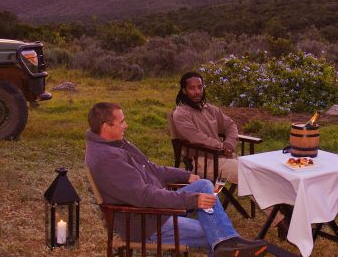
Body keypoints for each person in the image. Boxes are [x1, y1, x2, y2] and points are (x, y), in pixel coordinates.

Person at [84, 102, 268, 257]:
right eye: (122, 122)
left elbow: (153, 169)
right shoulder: (108, 159)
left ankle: (227, 243)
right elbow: (144, 196)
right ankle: (226, 244)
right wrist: (191, 199)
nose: (126, 126)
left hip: (154, 209)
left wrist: (185, 175)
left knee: (204, 185)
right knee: (214, 233)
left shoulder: (115, 143)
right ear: (106, 127)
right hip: (146, 222)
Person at [171, 71, 241, 183]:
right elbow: (196, 138)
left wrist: (229, 143)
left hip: (222, 157)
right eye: (192, 88)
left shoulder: (210, 109)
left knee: (259, 171)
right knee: (250, 175)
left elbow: (230, 125)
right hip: (202, 161)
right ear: (184, 90)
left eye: (200, 87)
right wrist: (222, 147)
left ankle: (269, 200)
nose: (197, 92)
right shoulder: (181, 114)